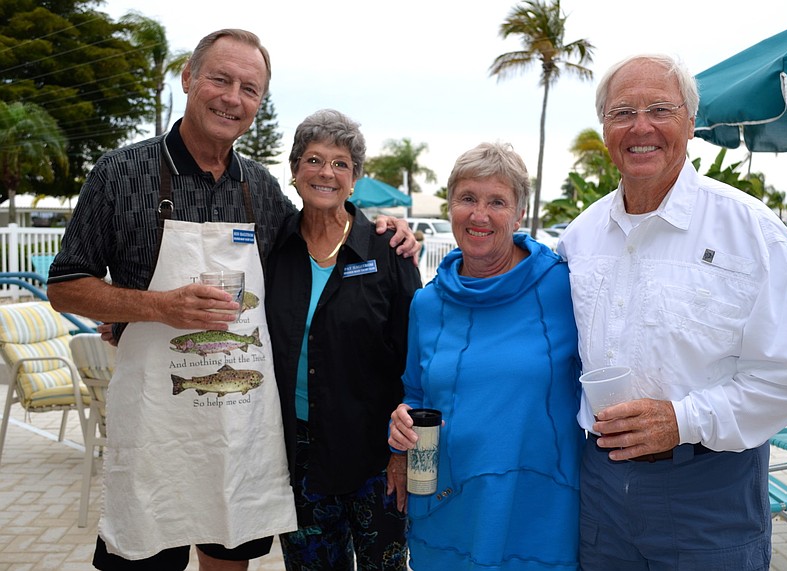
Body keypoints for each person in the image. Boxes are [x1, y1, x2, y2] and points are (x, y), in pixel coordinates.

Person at [46, 29, 418, 571]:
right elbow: (64, 286)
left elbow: (322, 238)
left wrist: (388, 229)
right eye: (221, 79)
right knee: (144, 554)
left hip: (237, 433)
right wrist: (153, 308)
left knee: (228, 559)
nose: (232, 97)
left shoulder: (260, 190)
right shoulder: (120, 173)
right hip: (155, 428)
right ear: (189, 79)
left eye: (249, 89)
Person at [557, 53, 787, 571]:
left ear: (690, 121)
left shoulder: (752, 232)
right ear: (605, 128)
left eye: (659, 109)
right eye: (622, 113)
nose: (641, 127)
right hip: (599, 486)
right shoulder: (580, 236)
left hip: (709, 490)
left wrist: (682, 420)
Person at [389, 142, 584, 571]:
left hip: (537, 514)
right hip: (446, 511)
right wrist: (399, 431)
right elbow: (415, 393)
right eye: (468, 199)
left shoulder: (563, 288)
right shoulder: (427, 303)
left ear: (518, 216)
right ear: (450, 206)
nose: (480, 215)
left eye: (497, 201)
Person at [264, 108, 421, 570]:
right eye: (313, 160)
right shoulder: (275, 247)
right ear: (294, 172)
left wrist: (402, 454)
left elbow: (418, 354)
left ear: (354, 178)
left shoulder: (387, 249)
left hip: (376, 453)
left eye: (340, 163)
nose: (325, 172)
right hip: (299, 458)